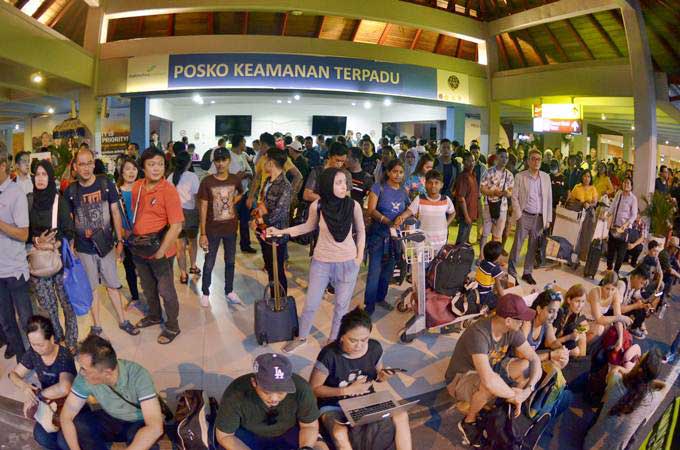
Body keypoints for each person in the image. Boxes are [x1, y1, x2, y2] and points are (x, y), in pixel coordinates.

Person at [270, 168, 365, 353]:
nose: (343, 186)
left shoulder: (353, 205)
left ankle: (333, 340)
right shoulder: (318, 206)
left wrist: (359, 256)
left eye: (345, 182)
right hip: (321, 262)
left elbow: (361, 230)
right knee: (311, 304)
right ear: (328, 184)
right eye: (338, 182)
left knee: (341, 306)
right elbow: (307, 226)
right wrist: (281, 231)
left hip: (348, 262)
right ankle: (302, 337)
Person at [444, 293, 542, 448]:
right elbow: (489, 380)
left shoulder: (512, 330)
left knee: (526, 367)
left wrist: (527, 391)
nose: (524, 322)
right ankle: (468, 421)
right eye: (521, 319)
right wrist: (514, 395)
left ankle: (498, 408)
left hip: (490, 368)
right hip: (460, 378)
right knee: (489, 385)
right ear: (509, 321)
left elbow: (535, 359)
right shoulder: (479, 333)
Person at [309, 308, 412, 450]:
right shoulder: (329, 355)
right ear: (342, 336)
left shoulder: (374, 348)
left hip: (365, 400)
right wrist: (347, 390)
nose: (359, 346)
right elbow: (314, 389)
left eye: (364, 340)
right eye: (353, 340)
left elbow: (377, 376)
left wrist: (383, 376)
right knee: (340, 433)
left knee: (401, 415)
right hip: (334, 404)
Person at [65, 147, 138, 337]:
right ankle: (97, 326)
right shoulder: (71, 191)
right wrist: (71, 242)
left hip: (106, 245)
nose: (86, 168)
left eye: (89, 163)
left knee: (112, 285)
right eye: (81, 164)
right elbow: (69, 219)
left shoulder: (106, 183)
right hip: (84, 247)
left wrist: (120, 240)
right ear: (75, 167)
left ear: (93, 163)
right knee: (91, 288)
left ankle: (123, 320)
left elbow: (115, 212)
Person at [59, 335, 164, 450]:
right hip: (111, 418)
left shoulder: (138, 375)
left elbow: (155, 427)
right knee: (67, 437)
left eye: (85, 369)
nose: (81, 373)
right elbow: (66, 416)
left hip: (138, 421)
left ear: (107, 373)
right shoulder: (84, 378)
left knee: (146, 441)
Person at [215, 352, 328, 450]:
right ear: (254, 382)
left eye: (281, 392)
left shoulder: (302, 389)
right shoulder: (236, 393)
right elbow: (225, 435)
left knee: (319, 446)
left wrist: (305, 447)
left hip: (288, 431)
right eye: (267, 392)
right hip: (249, 435)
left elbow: (309, 426)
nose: (274, 399)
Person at [130, 147, 184, 345]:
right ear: (143, 167)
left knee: (166, 291)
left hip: (161, 250)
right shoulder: (137, 187)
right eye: (151, 164)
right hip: (140, 248)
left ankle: (172, 326)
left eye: (160, 164)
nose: (156, 168)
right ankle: (154, 315)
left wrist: (161, 251)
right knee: (147, 287)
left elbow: (177, 225)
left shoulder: (168, 190)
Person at [27, 160, 78, 352]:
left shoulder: (59, 200)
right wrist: (36, 240)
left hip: (59, 260)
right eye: (37, 174)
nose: (40, 178)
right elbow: (26, 231)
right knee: (49, 307)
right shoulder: (30, 201)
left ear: (50, 177)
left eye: (44, 174)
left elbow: (69, 230)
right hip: (39, 263)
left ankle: (72, 341)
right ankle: (59, 337)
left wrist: (54, 243)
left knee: (67, 303)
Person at [9, 316, 76, 450]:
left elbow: (64, 388)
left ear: (51, 338)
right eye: (32, 344)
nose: (36, 348)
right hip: (49, 404)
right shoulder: (33, 353)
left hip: (71, 403)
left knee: (64, 441)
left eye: (40, 344)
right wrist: (25, 387)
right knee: (40, 436)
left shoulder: (64, 355)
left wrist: (37, 397)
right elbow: (13, 375)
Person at [583, 350, 664, 449]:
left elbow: (615, 371)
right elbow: (664, 386)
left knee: (604, 404)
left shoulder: (616, 381)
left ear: (640, 370)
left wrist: (623, 369)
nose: (636, 358)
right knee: (639, 423)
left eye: (638, 358)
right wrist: (648, 380)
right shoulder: (654, 399)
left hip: (588, 445)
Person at [198, 147, 243, 308]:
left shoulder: (234, 180)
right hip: (212, 230)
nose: (221, 163)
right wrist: (202, 233)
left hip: (231, 228)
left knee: (230, 261)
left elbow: (240, 193)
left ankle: (229, 290)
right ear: (214, 162)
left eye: (224, 160)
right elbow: (202, 207)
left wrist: (233, 201)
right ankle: (205, 292)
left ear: (229, 161)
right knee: (209, 262)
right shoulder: (207, 182)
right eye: (217, 160)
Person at [364, 159, 409, 315]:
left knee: (388, 270)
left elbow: (408, 209)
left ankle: (380, 298)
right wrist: (386, 220)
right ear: (388, 172)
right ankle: (369, 305)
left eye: (401, 172)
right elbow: (371, 210)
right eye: (395, 171)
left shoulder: (404, 191)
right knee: (374, 270)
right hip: (378, 235)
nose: (398, 175)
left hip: (395, 238)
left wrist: (402, 218)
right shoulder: (378, 187)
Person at [509, 149, 553, 285]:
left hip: (539, 218)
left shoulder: (546, 177)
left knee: (533, 246)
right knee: (517, 245)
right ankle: (512, 273)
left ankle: (527, 272)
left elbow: (549, 199)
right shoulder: (520, 176)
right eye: (533, 159)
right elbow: (514, 197)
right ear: (528, 161)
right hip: (525, 215)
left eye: (539, 159)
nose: (536, 162)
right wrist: (519, 215)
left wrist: (548, 219)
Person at [252, 149, 292, 297]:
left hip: (277, 234)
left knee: (277, 270)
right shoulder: (268, 181)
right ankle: (274, 297)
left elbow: (280, 212)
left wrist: (261, 220)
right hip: (264, 232)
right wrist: (257, 218)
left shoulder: (285, 185)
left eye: (264, 160)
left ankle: (281, 301)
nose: (262, 163)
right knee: (269, 266)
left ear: (271, 162)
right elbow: (262, 203)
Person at [398, 170, 455, 255]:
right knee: (422, 267)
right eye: (430, 183)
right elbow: (408, 212)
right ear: (425, 184)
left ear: (441, 185)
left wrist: (446, 224)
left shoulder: (446, 200)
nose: (433, 185)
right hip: (423, 243)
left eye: (436, 183)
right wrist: (399, 218)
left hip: (441, 243)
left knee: (437, 266)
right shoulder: (419, 199)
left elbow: (453, 213)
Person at [247, 132, 302, 211]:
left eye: (260, 145)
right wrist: (251, 197)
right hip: (263, 201)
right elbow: (257, 178)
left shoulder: (281, 158)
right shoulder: (263, 158)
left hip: (278, 202)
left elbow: (298, 176)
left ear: (264, 145)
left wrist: (291, 194)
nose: (260, 148)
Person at [168, 151, 200, 284]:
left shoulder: (170, 177)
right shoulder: (192, 176)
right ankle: (193, 267)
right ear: (189, 162)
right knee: (192, 242)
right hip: (191, 213)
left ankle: (183, 274)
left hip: (176, 215)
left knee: (179, 245)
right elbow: (197, 197)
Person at [117, 158, 141, 308]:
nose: (131, 172)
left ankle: (152, 296)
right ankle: (135, 296)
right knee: (129, 268)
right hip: (126, 236)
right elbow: (115, 215)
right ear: (122, 171)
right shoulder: (117, 191)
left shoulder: (142, 188)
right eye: (127, 169)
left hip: (144, 235)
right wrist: (119, 237)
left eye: (134, 168)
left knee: (146, 268)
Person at [479, 147, 514, 251]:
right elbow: (482, 188)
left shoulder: (509, 174)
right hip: (488, 205)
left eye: (506, 157)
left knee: (497, 234)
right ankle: (481, 255)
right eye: (502, 156)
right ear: (497, 157)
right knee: (485, 233)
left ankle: (494, 257)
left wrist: (507, 193)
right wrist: (493, 193)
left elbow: (511, 191)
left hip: (502, 207)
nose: (504, 159)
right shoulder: (488, 172)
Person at [523, 290, 569, 369]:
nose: (554, 317)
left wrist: (561, 349)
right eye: (551, 311)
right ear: (539, 309)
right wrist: (550, 355)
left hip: (530, 358)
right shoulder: (527, 322)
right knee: (526, 364)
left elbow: (552, 342)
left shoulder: (546, 323)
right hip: (517, 361)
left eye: (556, 312)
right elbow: (522, 355)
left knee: (559, 360)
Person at [585, 271, 633, 343]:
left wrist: (620, 338)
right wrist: (620, 317)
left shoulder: (615, 293)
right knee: (600, 328)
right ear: (603, 285)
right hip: (583, 321)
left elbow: (618, 315)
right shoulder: (595, 292)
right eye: (607, 288)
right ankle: (580, 347)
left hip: (594, 322)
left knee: (611, 327)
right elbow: (600, 319)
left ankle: (592, 349)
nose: (610, 293)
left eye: (612, 289)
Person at [228, 134, 256, 254]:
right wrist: (242, 175)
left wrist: (244, 174)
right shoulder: (228, 156)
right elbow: (231, 177)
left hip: (244, 193)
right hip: (232, 196)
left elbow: (250, 172)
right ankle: (230, 246)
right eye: (244, 142)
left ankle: (245, 244)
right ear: (239, 143)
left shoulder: (243, 156)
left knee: (245, 221)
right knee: (232, 223)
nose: (245, 145)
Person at [607, 178, 638, 274]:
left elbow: (634, 215)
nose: (626, 184)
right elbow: (612, 207)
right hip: (614, 226)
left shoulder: (633, 199)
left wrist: (626, 224)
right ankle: (609, 269)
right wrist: (607, 214)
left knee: (621, 253)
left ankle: (615, 272)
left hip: (624, 229)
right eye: (624, 182)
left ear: (631, 186)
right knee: (610, 250)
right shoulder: (618, 194)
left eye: (628, 183)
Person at [619, 267, 658, 339]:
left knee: (642, 309)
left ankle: (633, 327)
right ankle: (631, 328)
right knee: (638, 308)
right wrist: (635, 305)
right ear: (636, 277)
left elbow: (639, 298)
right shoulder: (622, 285)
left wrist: (647, 304)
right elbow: (618, 309)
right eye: (642, 283)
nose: (642, 286)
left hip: (623, 308)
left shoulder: (634, 285)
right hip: (613, 312)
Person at [553, 284, 589, 358]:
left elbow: (586, 325)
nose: (580, 305)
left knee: (582, 335)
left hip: (563, 339)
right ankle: (580, 364)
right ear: (569, 300)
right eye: (577, 301)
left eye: (582, 301)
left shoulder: (575, 313)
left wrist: (578, 330)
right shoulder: (560, 313)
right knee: (575, 351)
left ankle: (582, 363)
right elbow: (552, 342)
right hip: (552, 344)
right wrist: (569, 337)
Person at [453, 152, 478, 245]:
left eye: (473, 161)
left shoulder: (473, 175)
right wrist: (466, 215)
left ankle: (463, 256)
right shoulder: (463, 177)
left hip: (471, 212)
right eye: (469, 161)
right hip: (465, 214)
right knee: (461, 239)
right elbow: (461, 198)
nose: (471, 163)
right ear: (463, 162)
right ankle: (456, 257)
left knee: (465, 238)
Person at [475, 241, 506, 310]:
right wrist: (504, 298)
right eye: (501, 254)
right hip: (485, 295)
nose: (502, 256)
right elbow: (498, 286)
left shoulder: (483, 261)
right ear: (497, 257)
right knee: (500, 303)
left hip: (476, 290)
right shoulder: (495, 268)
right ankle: (486, 308)